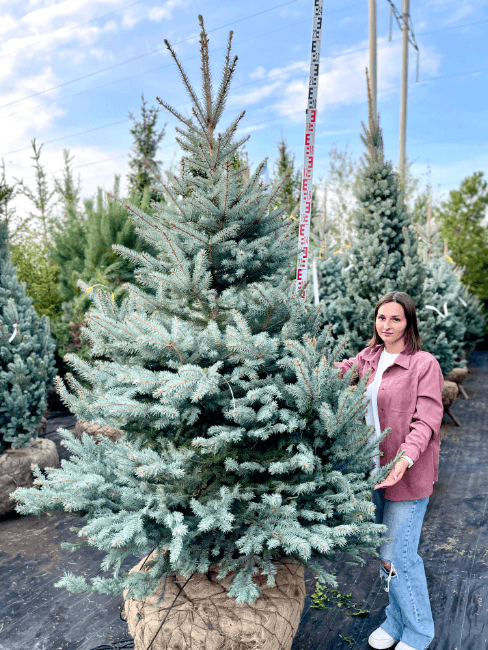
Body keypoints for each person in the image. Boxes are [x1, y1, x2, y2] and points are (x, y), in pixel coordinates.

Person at [335, 291, 443, 650]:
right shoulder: (368, 359)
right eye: (382, 318)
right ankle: (396, 620)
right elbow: (334, 373)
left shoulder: (423, 364)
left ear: (409, 322)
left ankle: (418, 632)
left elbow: (426, 420)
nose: (387, 326)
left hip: (406, 474)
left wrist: (403, 459)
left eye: (396, 319)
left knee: (397, 555)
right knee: (385, 555)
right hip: (372, 471)